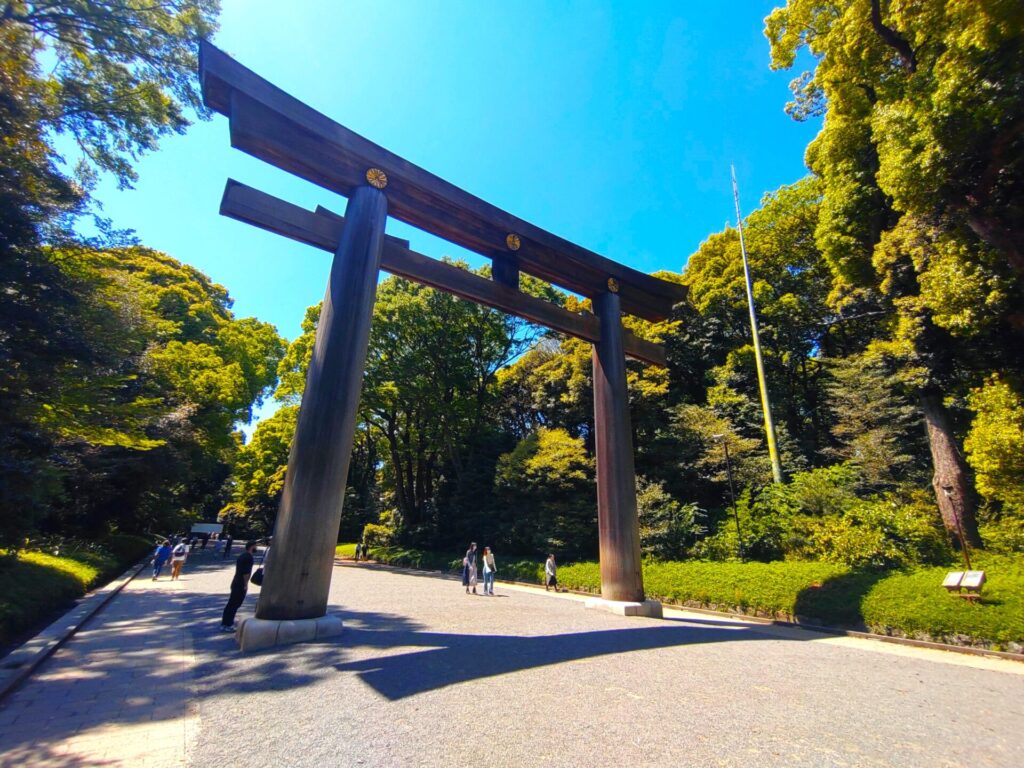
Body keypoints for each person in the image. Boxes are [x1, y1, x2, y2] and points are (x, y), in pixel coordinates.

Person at [220, 541, 259, 632]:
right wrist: (245, 584)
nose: (256, 548)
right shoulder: (248, 557)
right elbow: (246, 573)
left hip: (235, 581)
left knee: (231, 603)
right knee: (235, 604)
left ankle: (225, 622)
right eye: (255, 546)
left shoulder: (242, 555)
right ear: (252, 547)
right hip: (240, 583)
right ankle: (228, 624)